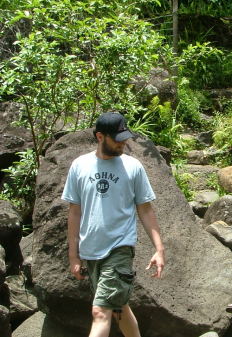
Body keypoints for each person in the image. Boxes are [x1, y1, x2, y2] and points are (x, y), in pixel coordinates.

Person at [62, 111, 165, 337]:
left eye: (125, 137)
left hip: (119, 248)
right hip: (91, 251)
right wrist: (73, 255)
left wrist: (159, 249)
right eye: (117, 139)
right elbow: (75, 212)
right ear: (100, 137)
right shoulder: (79, 166)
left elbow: (145, 209)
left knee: (100, 311)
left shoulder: (133, 167)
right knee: (118, 308)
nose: (123, 143)